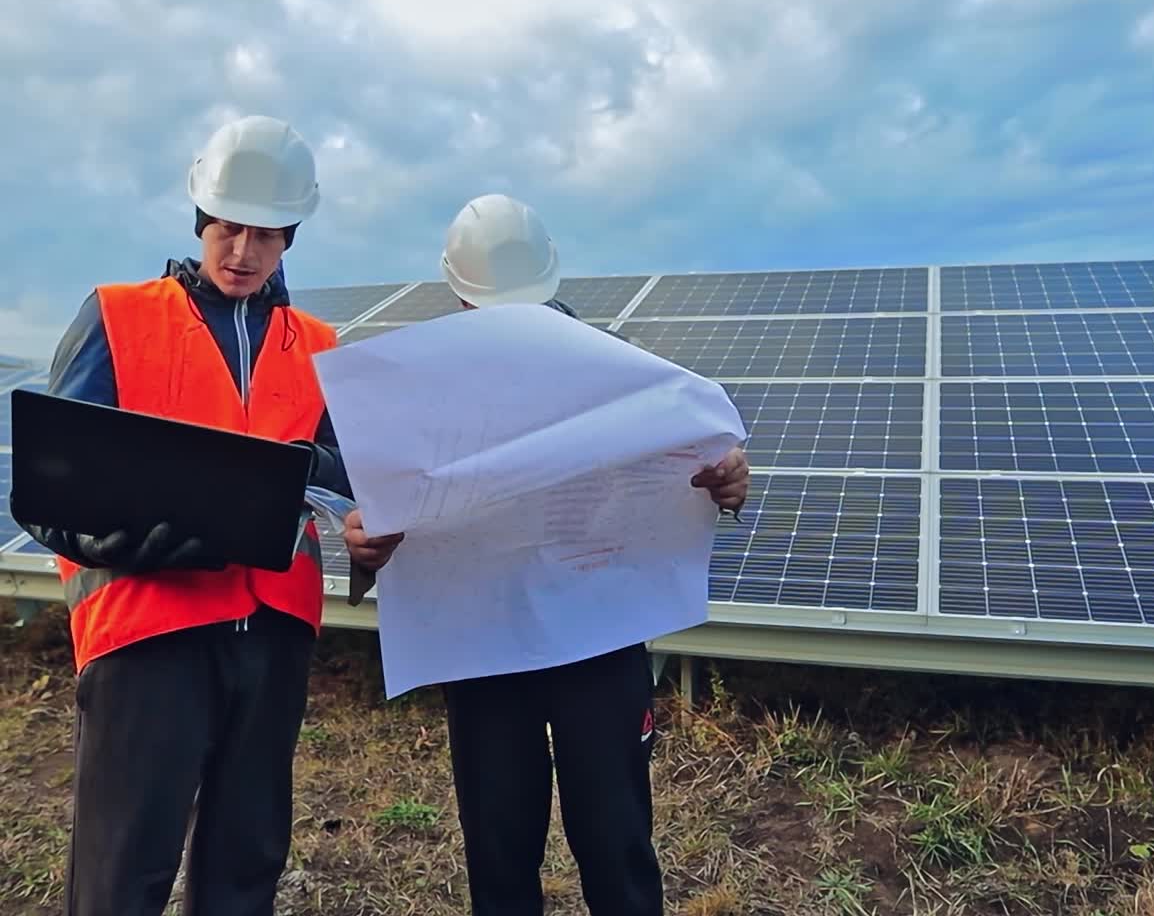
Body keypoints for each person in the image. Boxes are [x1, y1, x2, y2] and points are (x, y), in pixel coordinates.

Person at [344, 192, 750, 916]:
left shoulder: (619, 380)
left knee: (616, 842)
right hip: (483, 648)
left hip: (598, 641)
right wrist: (366, 546)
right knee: (500, 850)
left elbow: (702, 464)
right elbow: (375, 516)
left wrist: (727, 480)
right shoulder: (419, 392)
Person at [16, 115, 356, 916]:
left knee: (246, 864)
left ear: (290, 236)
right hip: (148, 630)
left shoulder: (320, 344)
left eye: (265, 235)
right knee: (123, 872)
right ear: (202, 218)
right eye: (228, 228)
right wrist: (100, 537)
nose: (242, 251)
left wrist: (346, 502)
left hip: (273, 636)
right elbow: (49, 482)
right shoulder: (117, 315)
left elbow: (349, 475)